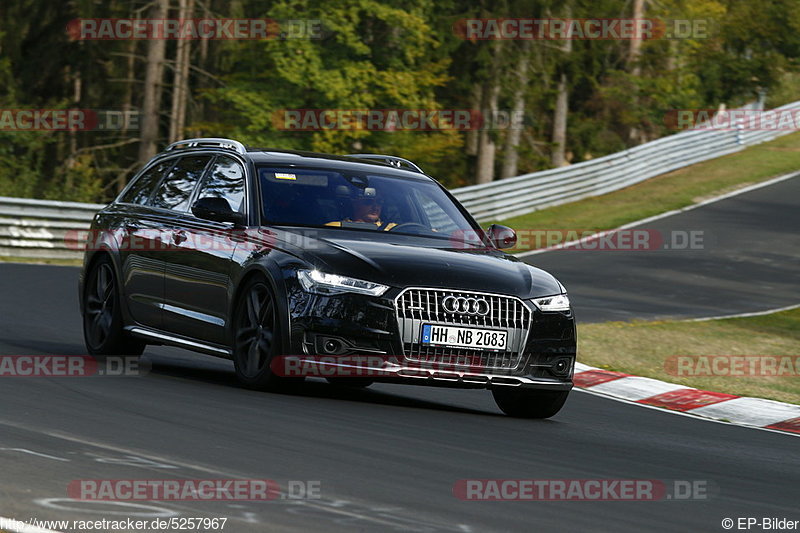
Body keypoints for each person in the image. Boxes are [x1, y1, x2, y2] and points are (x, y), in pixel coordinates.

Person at [326, 187, 397, 230]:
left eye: (379, 202)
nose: (375, 207)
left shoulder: (394, 229)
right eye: (368, 202)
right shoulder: (334, 227)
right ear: (355, 204)